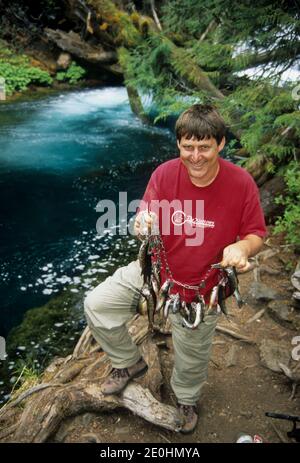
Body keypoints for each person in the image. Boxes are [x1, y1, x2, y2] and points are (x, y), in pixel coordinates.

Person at [84, 104, 267, 434]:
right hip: (155, 274)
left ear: (221, 144)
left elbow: (257, 234)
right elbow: (145, 215)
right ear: (179, 144)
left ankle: (186, 398)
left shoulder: (241, 183)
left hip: (203, 288)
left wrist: (241, 247)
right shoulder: (164, 174)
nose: (195, 156)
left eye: (204, 147)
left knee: (191, 356)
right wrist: (142, 223)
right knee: (98, 304)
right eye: (187, 147)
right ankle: (128, 363)